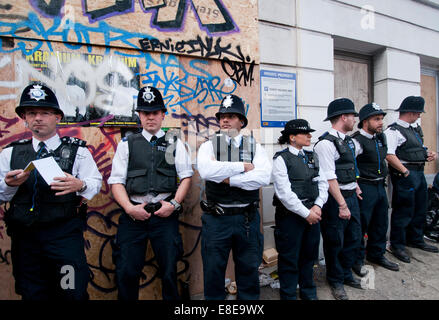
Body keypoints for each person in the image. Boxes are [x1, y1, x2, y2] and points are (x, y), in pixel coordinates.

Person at [0, 83, 102, 300]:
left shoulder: (78, 151)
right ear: (25, 118)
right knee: (33, 293)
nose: (38, 118)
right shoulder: (10, 153)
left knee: (71, 291)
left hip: (63, 237)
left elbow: (95, 182)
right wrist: (9, 185)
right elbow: (2, 196)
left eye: (45, 112)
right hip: (26, 239)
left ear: (57, 117)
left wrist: (80, 185)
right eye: (32, 113)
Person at [108, 86, 193, 300]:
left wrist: (173, 204)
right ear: (139, 115)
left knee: (169, 273)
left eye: (155, 112)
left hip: (164, 215)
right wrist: (129, 208)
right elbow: (116, 181)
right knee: (127, 272)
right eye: (145, 113)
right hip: (133, 216)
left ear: (163, 114)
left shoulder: (174, 142)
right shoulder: (128, 144)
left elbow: (185, 177)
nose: (150, 117)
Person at [197, 94, 271, 300]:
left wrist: (228, 179)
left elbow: (263, 177)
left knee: (248, 271)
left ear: (242, 121)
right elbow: (206, 170)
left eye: (231, 116)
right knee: (213, 272)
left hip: (246, 219)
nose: (225, 120)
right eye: (222, 116)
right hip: (216, 218)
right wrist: (242, 168)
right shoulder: (209, 145)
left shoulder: (254, 146)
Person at [272, 119, 328, 300]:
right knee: (289, 259)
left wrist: (318, 205)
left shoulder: (313, 156)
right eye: (305, 133)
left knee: (309, 257)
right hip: (291, 218)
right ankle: (288, 296)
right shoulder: (281, 159)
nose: (310, 136)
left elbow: (323, 183)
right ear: (292, 137)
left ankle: (309, 293)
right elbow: (284, 194)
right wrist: (307, 214)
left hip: (313, 213)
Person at [313, 98, 363, 300]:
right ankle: (335, 280)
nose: (354, 120)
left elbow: (351, 167)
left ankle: (345, 273)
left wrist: (356, 186)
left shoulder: (348, 141)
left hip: (351, 195)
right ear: (344, 117)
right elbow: (329, 177)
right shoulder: (325, 144)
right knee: (335, 241)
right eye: (352, 116)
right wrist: (342, 204)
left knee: (354, 238)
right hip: (336, 200)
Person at [384, 96, 438, 263]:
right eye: (418, 113)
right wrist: (405, 171)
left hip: (418, 172)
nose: (420, 116)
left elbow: (417, 148)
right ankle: (397, 245)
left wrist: (428, 155)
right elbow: (389, 154)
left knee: (420, 207)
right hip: (406, 174)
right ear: (411, 112)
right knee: (403, 210)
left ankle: (415, 239)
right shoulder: (393, 131)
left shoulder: (414, 129)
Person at [351, 103, 399, 274]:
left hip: (380, 185)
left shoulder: (380, 138)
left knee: (380, 223)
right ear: (365, 121)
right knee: (361, 225)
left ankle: (376, 254)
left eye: (381, 119)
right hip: (365, 186)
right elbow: (350, 165)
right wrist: (355, 185)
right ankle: (357, 260)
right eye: (376, 119)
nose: (381, 123)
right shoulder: (356, 141)